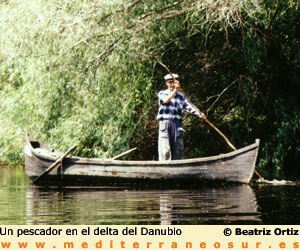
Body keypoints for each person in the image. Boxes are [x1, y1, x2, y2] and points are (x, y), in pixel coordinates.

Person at [157, 73, 206, 161]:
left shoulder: (180, 96)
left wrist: (199, 114)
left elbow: (188, 106)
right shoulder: (162, 93)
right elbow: (166, 100)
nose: (172, 84)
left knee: (178, 150)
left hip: (177, 124)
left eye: (174, 82)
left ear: (177, 83)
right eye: (170, 82)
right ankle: (165, 169)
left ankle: (179, 170)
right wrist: (175, 90)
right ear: (166, 83)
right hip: (165, 124)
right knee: (165, 151)